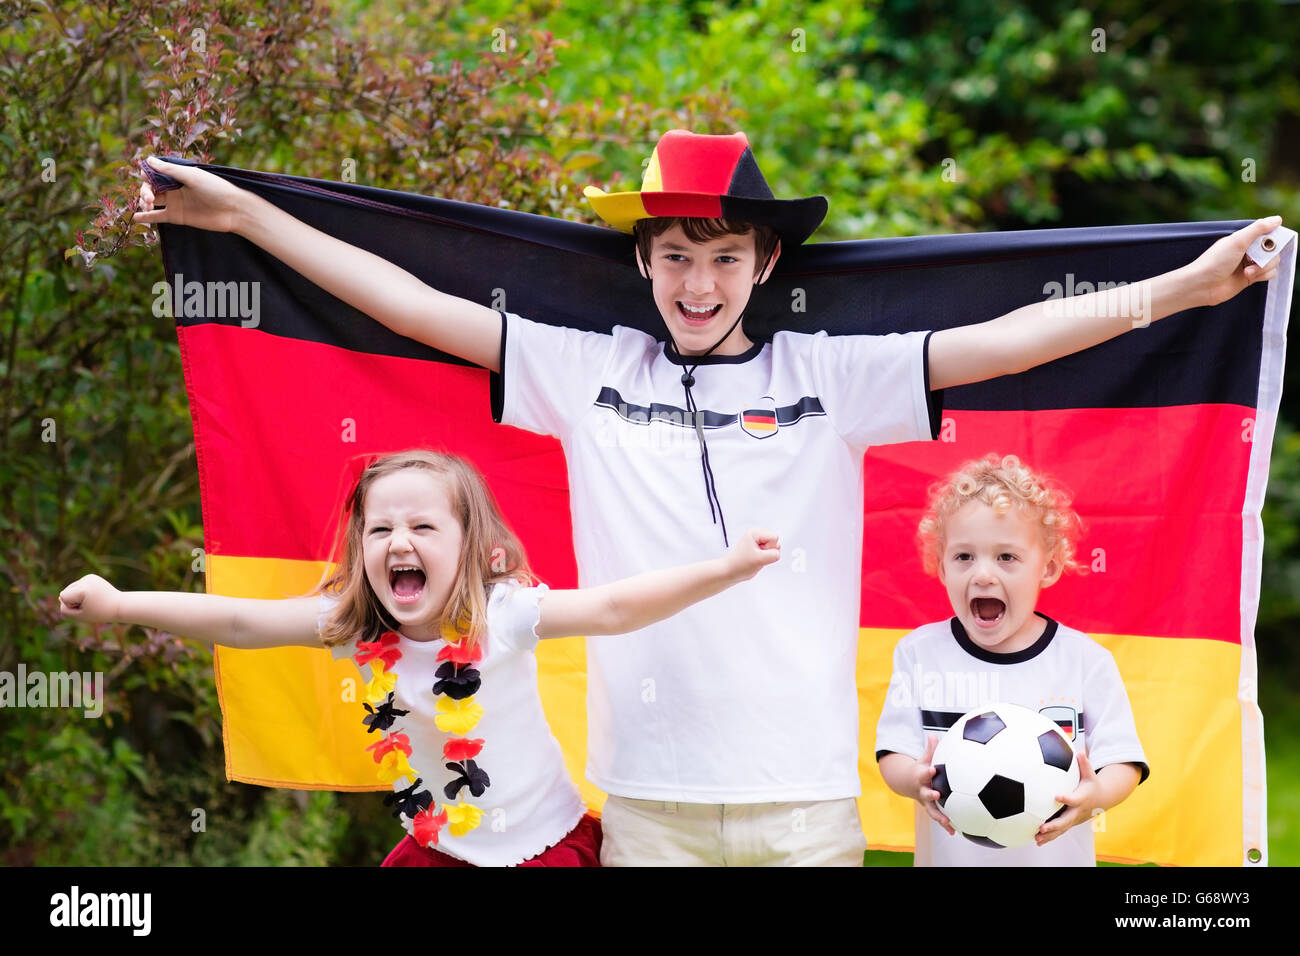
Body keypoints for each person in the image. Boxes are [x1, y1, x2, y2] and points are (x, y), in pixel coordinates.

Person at [135, 130, 1278, 866]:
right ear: (642, 259)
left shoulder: (832, 379)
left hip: (806, 794)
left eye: (725, 256)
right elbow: (408, 305)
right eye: (676, 254)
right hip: (646, 798)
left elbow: (1010, 342)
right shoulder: (583, 373)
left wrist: (1181, 288)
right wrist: (244, 218)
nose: (698, 281)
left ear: (766, 264)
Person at [58, 449, 780, 867]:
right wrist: (121, 603)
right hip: (436, 853)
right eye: (380, 528)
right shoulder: (351, 624)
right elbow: (243, 620)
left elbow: (617, 608)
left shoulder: (506, 614)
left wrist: (727, 569)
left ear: (470, 544)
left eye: (423, 525)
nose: (398, 540)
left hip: (543, 848)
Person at [875, 453, 1148, 866]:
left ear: (1049, 566)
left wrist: (1096, 797)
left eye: (1006, 557)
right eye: (964, 557)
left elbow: (1123, 761)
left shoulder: (1084, 661)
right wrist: (913, 781)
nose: (983, 574)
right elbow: (892, 752)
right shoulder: (919, 654)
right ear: (941, 566)